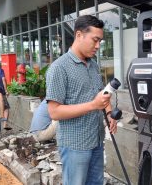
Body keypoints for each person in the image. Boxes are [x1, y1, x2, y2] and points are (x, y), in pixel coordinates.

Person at [46, 15, 117, 185]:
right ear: (79, 35)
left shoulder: (93, 65)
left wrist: (109, 113)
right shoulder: (59, 68)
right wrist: (93, 105)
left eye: (100, 41)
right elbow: (54, 112)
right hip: (75, 145)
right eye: (95, 40)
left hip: (97, 139)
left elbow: (101, 92)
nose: (98, 46)